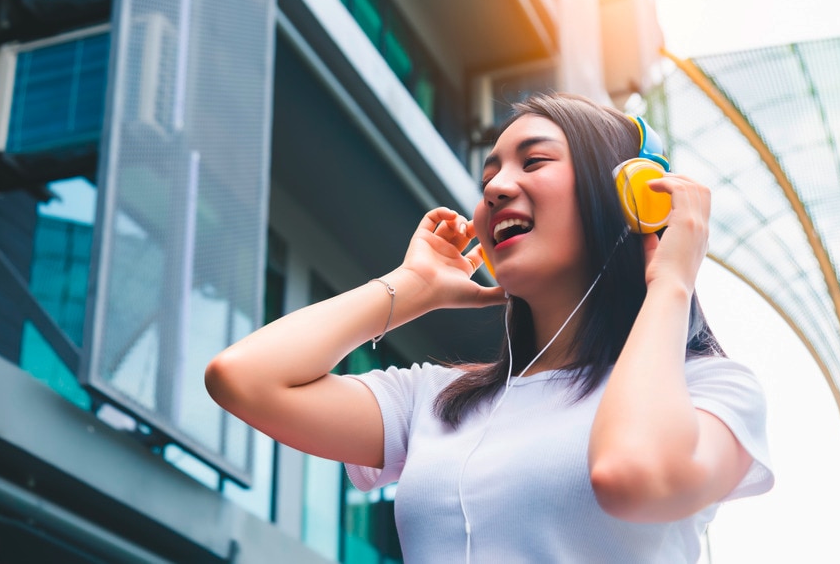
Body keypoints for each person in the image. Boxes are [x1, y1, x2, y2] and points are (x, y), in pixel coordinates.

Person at [205, 92, 774, 563]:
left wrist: (670, 283)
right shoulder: (436, 400)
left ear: (632, 198)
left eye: (535, 161)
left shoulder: (710, 391)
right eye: (489, 176)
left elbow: (631, 474)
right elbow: (243, 378)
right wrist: (412, 286)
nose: (497, 188)